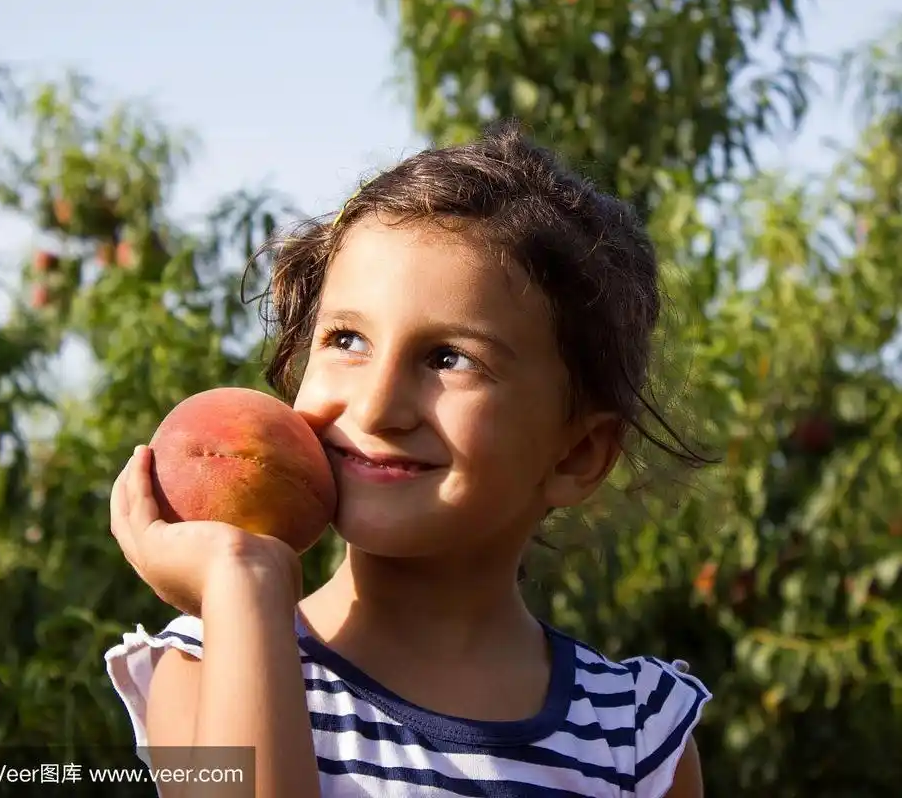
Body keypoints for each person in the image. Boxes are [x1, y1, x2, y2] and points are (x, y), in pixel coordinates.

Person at [104, 121, 714, 798]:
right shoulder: (211, 660)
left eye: (449, 358)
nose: (375, 406)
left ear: (577, 452)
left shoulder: (636, 735)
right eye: (345, 339)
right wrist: (243, 587)